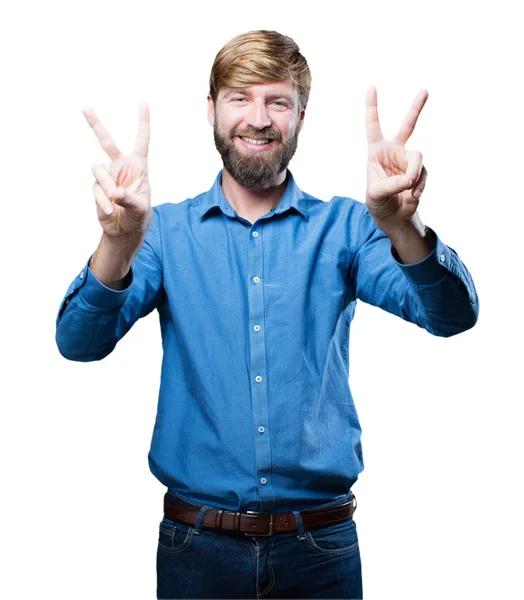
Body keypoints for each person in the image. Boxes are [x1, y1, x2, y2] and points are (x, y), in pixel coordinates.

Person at [55, 30, 479, 599]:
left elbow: (451, 315)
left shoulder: (349, 228)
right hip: (196, 550)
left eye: (277, 101)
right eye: (239, 97)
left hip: (320, 551)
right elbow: (79, 342)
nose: (258, 119)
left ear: (302, 115)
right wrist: (116, 242)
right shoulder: (162, 233)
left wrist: (401, 224)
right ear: (211, 109)